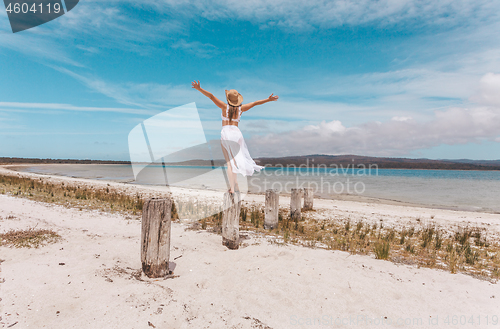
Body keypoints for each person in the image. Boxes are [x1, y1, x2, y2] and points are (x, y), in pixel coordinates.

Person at [191, 80, 279, 193]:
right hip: (237, 134)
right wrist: (268, 99)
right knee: (235, 161)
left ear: (228, 98)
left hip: (226, 133)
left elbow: (211, 96)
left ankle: (232, 188)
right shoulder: (241, 109)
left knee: (229, 162)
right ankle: (236, 184)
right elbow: (256, 103)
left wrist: (199, 88)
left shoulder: (224, 107)